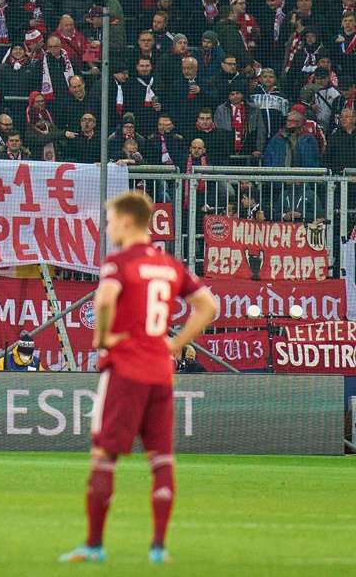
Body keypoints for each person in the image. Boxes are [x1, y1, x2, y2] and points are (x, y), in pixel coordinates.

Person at [60, 191, 217, 566]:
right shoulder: (169, 265)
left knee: (104, 456)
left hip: (126, 369)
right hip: (161, 373)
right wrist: (176, 343)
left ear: (127, 222)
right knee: (162, 459)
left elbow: (104, 300)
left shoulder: (119, 262)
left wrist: (102, 338)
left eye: (111, 220)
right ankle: (158, 548)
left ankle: (95, 546)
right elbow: (209, 306)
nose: (109, 226)